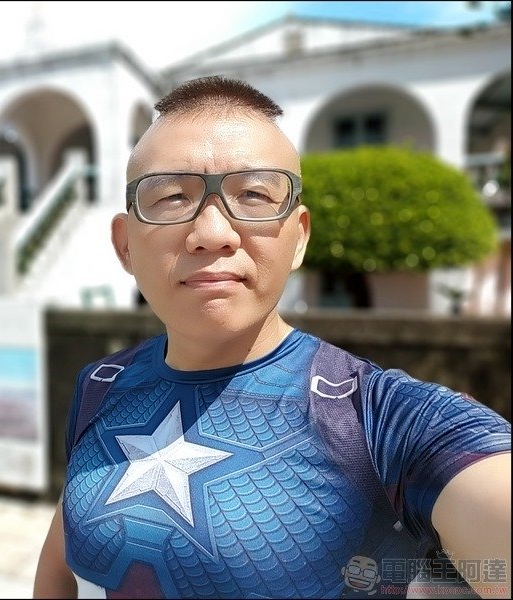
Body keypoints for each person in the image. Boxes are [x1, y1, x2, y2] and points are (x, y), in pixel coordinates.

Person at [33, 76, 511, 599]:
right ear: (125, 245)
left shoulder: (378, 421)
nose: (213, 233)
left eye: (254, 195)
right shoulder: (102, 384)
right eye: (170, 196)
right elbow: (65, 556)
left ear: (299, 237)